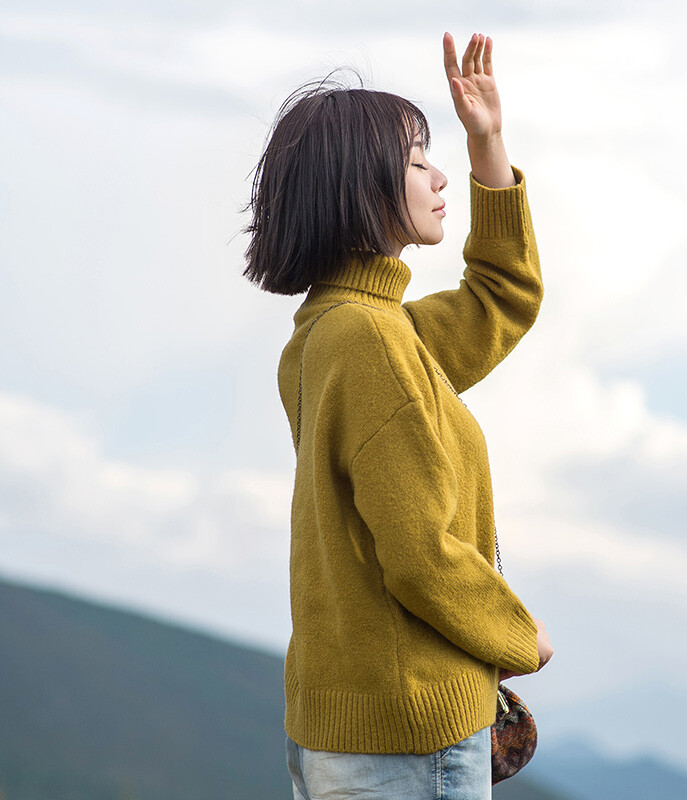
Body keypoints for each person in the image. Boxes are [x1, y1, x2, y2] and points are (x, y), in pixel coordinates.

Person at [244, 31, 554, 800]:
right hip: (409, 738)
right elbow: (419, 550)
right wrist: (519, 637)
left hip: (361, 733)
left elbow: (500, 298)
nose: (439, 174)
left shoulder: (346, 329)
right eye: (419, 161)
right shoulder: (370, 340)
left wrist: (490, 142)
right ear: (360, 185)